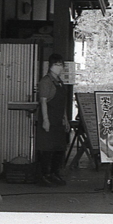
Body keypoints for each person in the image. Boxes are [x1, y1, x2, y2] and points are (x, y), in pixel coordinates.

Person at [35, 54, 71, 186]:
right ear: (50, 66)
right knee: (46, 149)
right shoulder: (46, 82)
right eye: (57, 65)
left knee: (59, 149)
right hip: (49, 119)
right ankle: (45, 175)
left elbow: (63, 104)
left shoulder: (60, 82)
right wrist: (45, 120)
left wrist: (66, 119)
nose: (60, 68)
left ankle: (55, 173)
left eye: (61, 65)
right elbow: (43, 101)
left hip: (59, 120)